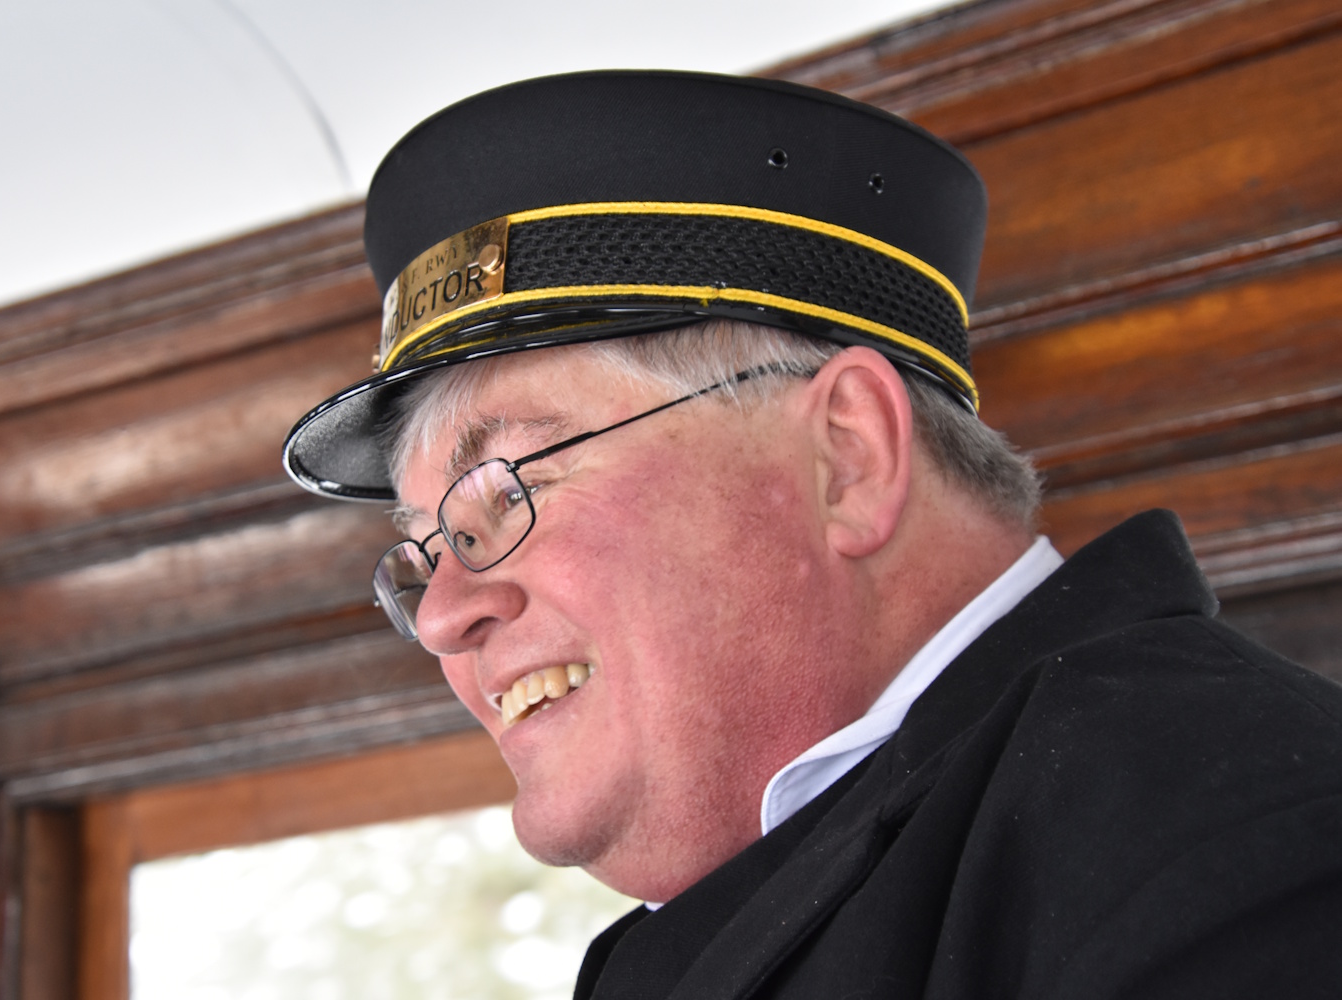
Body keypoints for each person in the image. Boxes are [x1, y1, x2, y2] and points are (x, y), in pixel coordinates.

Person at [283, 71, 1342, 998]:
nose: (444, 617)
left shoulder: (1250, 848)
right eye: (428, 547)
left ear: (848, 455)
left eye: (509, 490)